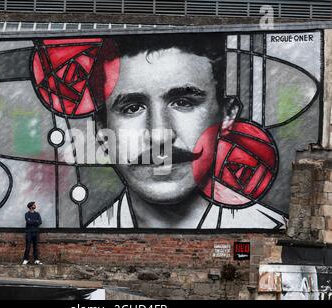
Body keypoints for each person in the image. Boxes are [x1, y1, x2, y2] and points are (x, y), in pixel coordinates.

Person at [90, 34, 287, 229]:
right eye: (132, 108)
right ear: (102, 132)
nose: (160, 135)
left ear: (227, 115)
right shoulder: (90, 238)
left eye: (183, 103)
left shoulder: (272, 230)